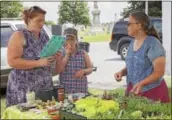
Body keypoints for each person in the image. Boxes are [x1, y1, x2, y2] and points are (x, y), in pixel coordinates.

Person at [6, 6, 61, 107]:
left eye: (43, 21)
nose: (42, 24)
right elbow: (12, 61)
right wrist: (38, 63)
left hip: (44, 86)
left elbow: (46, 59)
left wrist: (55, 57)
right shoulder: (19, 35)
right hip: (24, 88)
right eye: (39, 20)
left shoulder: (44, 35)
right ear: (29, 20)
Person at [114, 11, 170, 103]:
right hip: (133, 92)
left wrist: (142, 83)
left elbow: (159, 72)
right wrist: (122, 72)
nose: (126, 26)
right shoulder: (132, 43)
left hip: (153, 93)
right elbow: (133, 65)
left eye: (129, 23)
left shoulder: (153, 43)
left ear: (139, 25)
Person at [55, 28, 93, 94]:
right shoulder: (60, 53)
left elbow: (90, 69)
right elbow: (58, 70)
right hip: (66, 91)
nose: (69, 42)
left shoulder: (83, 53)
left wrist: (84, 71)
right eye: (67, 39)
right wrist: (67, 55)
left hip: (81, 90)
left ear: (76, 41)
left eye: (72, 39)